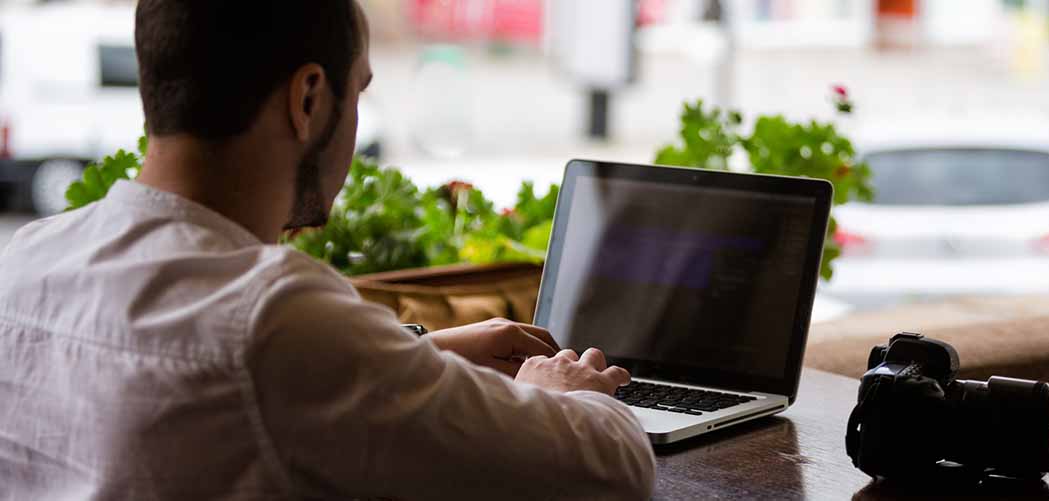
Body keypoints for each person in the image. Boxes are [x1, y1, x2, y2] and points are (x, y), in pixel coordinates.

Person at [0, 1, 655, 499]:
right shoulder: (271, 314)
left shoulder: (27, 261)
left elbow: (205, 384)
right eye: (359, 90)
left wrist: (421, 353)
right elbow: (611, 464)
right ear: (308, 98)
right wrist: (558, 390)